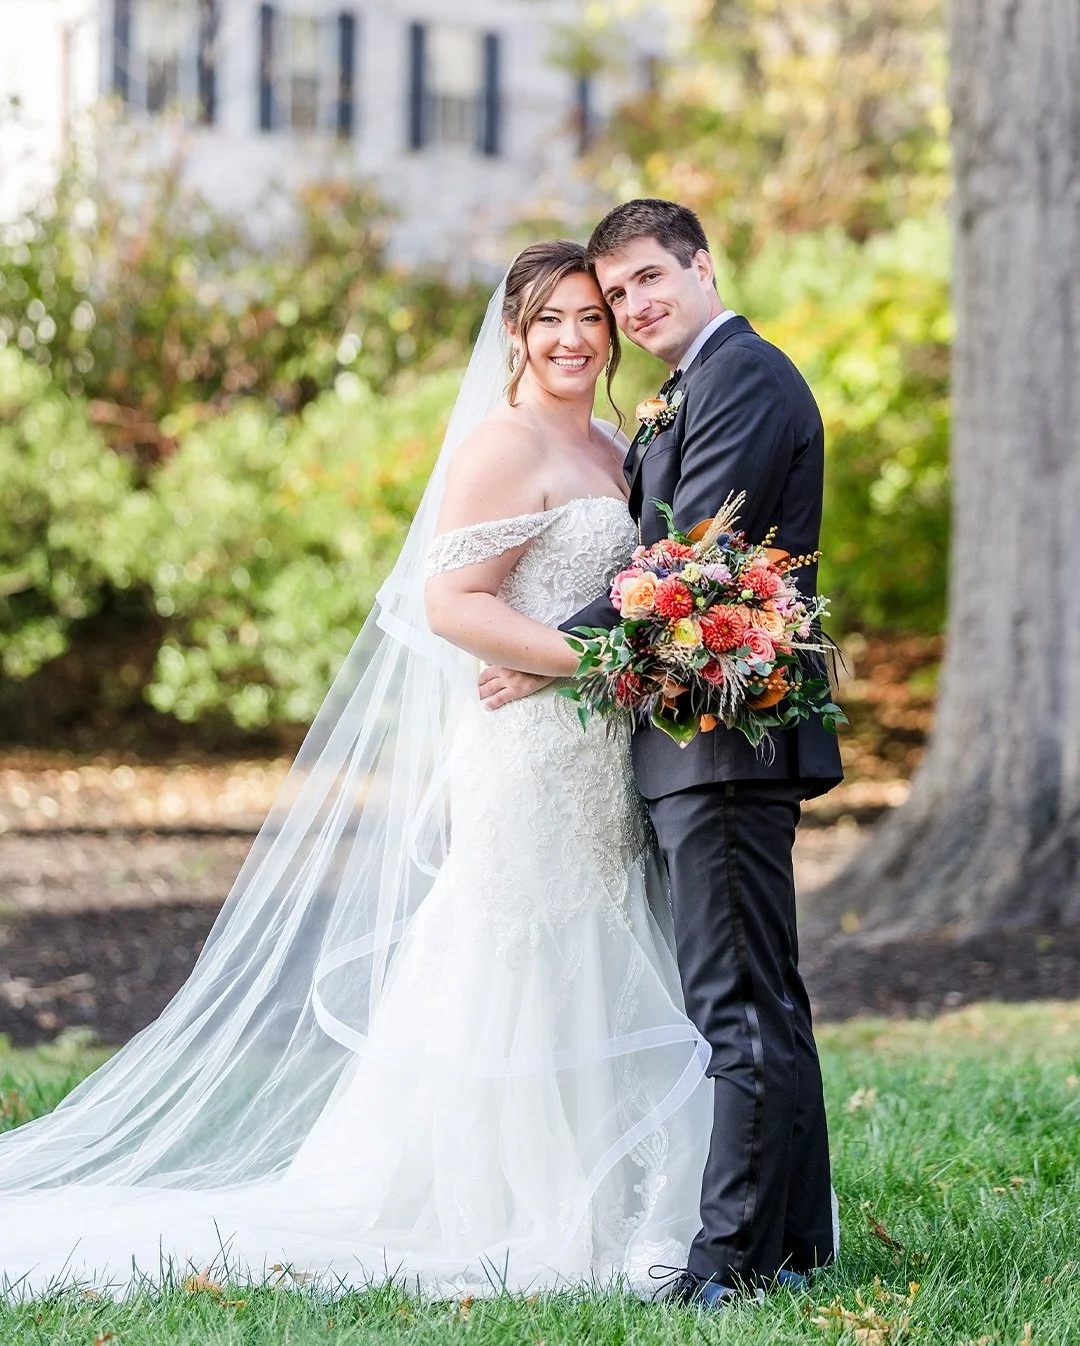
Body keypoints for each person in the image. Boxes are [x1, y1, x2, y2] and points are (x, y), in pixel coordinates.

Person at [0, 241, 714, 1298]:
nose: (574, 337)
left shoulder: (618, 442)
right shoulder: (501, 446)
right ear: (513, 333)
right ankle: (512, 1204)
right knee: (520, 953)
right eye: (550, 318)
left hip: (603, 751)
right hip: (529, 753)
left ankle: (609, 1194)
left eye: (592, 317)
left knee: (600, 954)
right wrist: (605, 659)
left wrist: (618, 657)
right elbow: (453, 604)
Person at [481, 200, 844, 1306]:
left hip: (722, 737)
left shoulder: (741, 377)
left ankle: (727, 1261)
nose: (634, 308)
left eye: (647, 280)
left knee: (734, 1002)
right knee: (759, 997)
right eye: (617, 292)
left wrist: (552, 656)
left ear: (703, 265)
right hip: (700, 737)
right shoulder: (693, 384)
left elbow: (687, 558)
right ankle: (788, 1245)